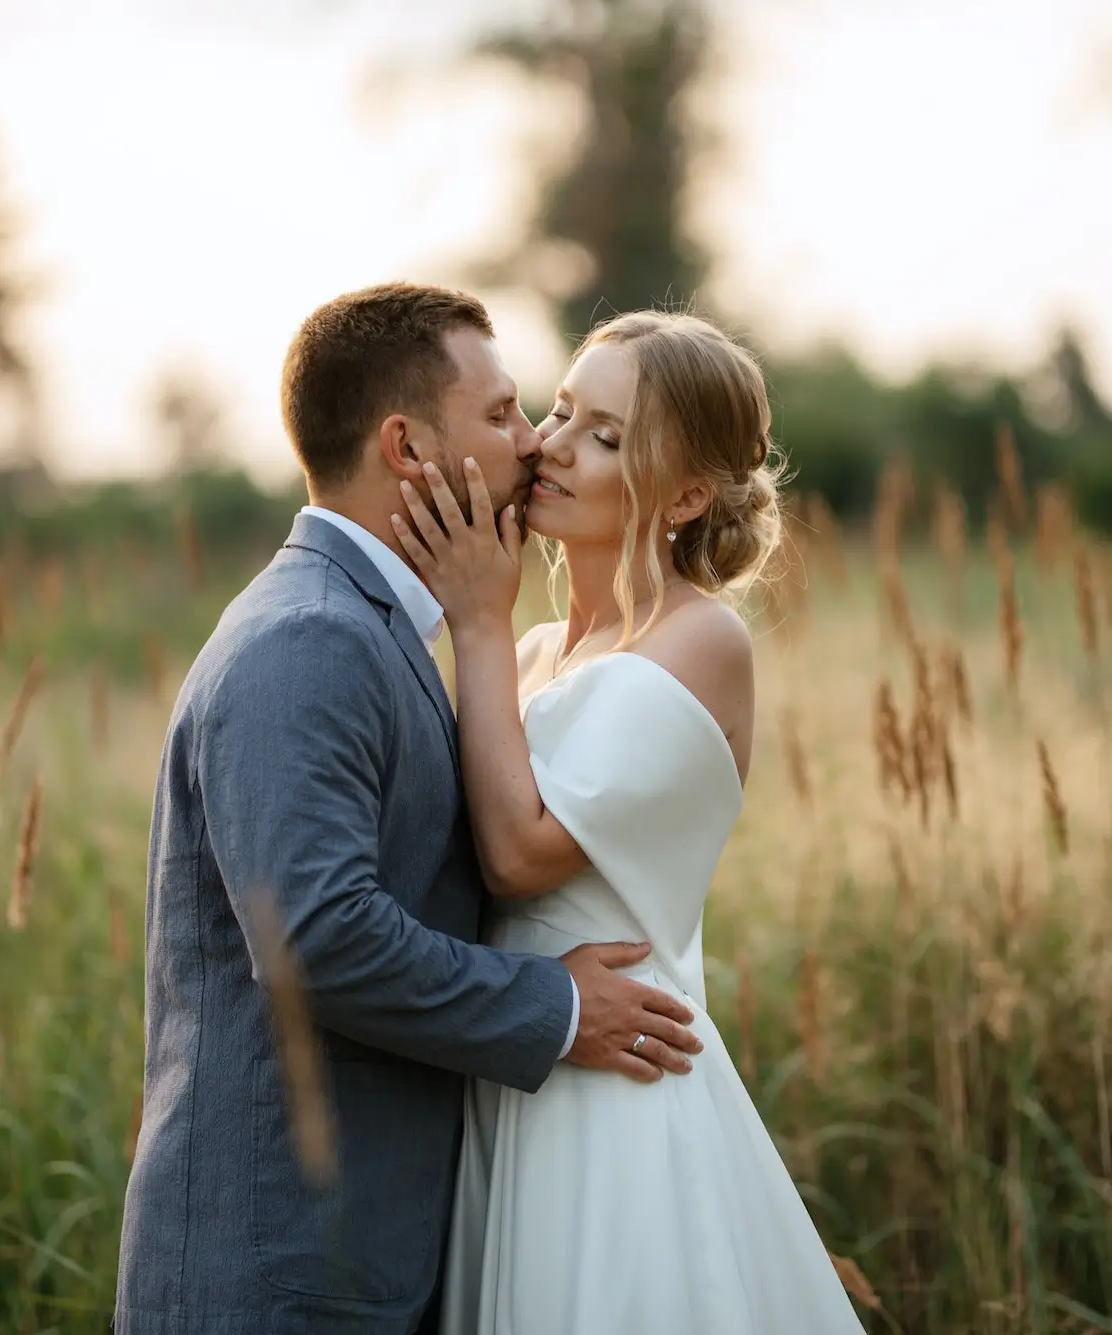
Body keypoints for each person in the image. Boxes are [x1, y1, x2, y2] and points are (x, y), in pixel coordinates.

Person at [113, 283, 707, 1335]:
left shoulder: (372, 629)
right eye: (504, 413)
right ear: (405, 447)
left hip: (360, 1258)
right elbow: (320, 939)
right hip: (280, 1276)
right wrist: (560, 1007)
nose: (531, 444)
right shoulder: (311, 638)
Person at [389, 311, 865, 1334]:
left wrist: (476, 619)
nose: (553, 446)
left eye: (604, 435)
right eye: (560, 411)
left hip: (614, 1085)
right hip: (514, 1061)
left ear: (687, 495)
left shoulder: (699, 640)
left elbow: (516, 856)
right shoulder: (527, 652)